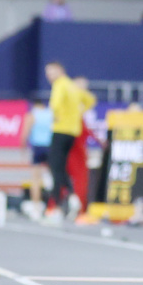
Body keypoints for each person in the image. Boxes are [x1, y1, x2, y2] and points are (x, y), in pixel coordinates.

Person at [44, 62, 96, 222]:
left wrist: (56, 115)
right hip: (72, 132)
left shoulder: (60, 84)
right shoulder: (73, 86)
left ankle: (57, 206)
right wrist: (79, 112)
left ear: (60, 71)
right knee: (60, 167)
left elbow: (55, 104)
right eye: (47, 73)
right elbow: (90, 99)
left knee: (55, 168)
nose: (49, 76)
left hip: (60, 130)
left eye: (52, 72)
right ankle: (71, 197)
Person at [20, 95, 53, 219]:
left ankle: (36, 207)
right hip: (50, 147)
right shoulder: (50, 113)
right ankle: (53, 206)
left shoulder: (32, 115)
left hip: (38, 148)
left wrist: (23, 147)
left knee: (35, 179)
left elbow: (25, 133)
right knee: (54, 177)